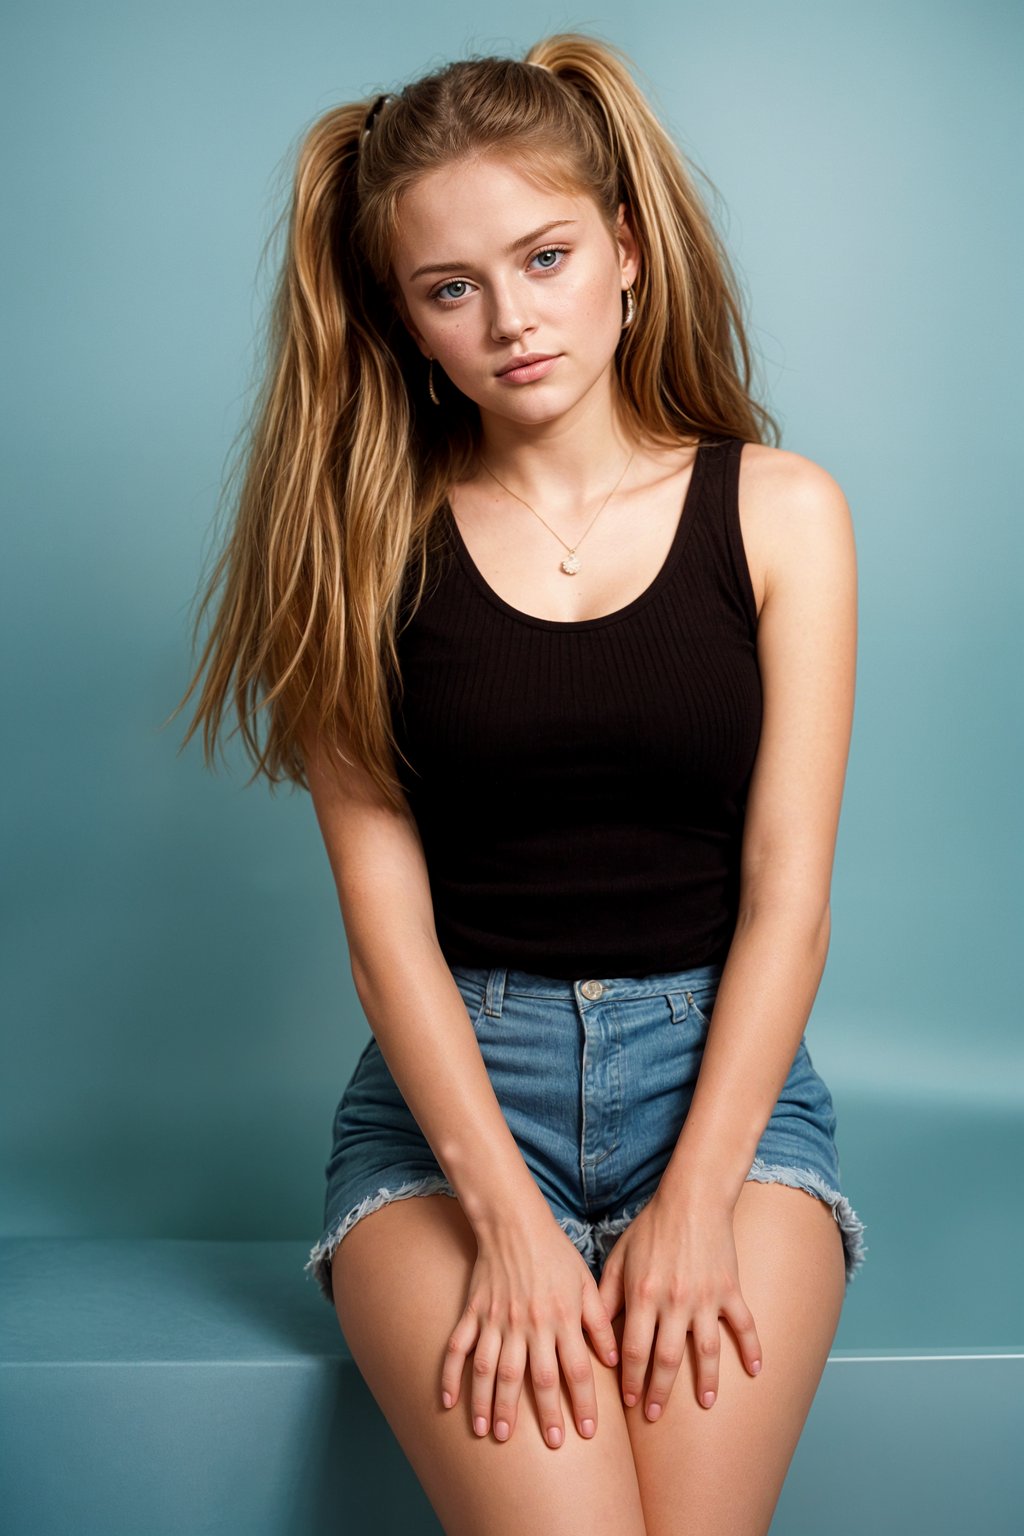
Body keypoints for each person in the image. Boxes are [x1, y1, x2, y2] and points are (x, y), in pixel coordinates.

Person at [176, 30, 867, 1536]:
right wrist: (505, 1222)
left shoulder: (782, 516)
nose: (511, 320)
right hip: (451, 1125)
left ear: (623, 249)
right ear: (408, 323)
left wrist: (696, 1200)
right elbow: (384, 928)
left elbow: (790, 897)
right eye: (451, 289)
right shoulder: (356, 550)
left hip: (730, 1106)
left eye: (544, 257)